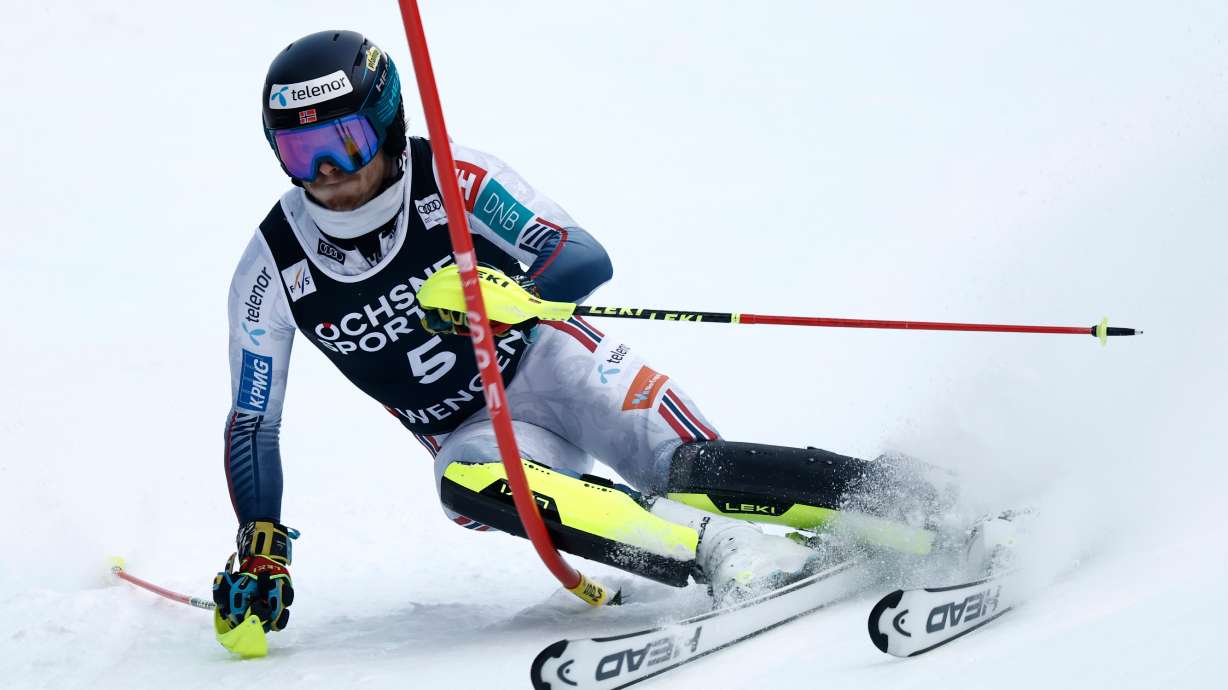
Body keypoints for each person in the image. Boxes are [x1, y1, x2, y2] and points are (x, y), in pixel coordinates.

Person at [212, 29, 959, 637]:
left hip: (553, 364)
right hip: (474, 428)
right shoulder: (271, 269)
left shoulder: (456, 177)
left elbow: (582, 257)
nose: (330, 174)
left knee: (689, 472)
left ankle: (905, 497)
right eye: (302, 153)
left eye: (343, 143)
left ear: (384, 121)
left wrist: (505, 294)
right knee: (465, 485)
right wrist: (261, 546)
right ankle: (722, 551)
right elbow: (253, 421)